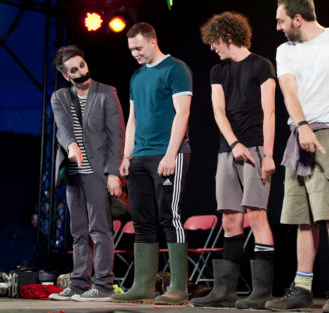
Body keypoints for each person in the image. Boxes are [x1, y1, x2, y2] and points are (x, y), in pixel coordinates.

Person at [264, 1, 329, 312]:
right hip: (299, 136)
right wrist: (302, 126)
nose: (278, 27)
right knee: (302, 218)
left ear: (297, 18)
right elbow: (289, 91)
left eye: (281, 21)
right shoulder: (286, 51)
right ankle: (303, 287)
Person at [191, 12, 276, 310]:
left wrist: (267, 155)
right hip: (228, 150)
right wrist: (234, 143)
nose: (212, 48)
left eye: (215, 42)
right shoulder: (218, 71)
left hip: (256, 149)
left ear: (227, 36)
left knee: (257, 215)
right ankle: (225, 291)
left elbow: (270, 113)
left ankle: (261, 293)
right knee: (230, 218)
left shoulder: (261, 66)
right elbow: (218, 112)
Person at [111, 22, 192, 305]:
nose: (134, 53)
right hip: (140, 157)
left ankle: (179, 288)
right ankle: (143, 286)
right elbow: (132, 119)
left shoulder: (175, 69)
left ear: (153, 42)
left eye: (138, 48)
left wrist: (171, 154)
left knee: (170, 217)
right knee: (142, 220)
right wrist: (126, 156)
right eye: (131, 49)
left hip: (168, 153)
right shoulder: (136, 76)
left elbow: (182, 114)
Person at [48, 45, 125, 301]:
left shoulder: (106, 92)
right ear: (66, 76)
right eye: (74, 70)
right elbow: (62, 127)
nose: (81, 71)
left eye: (82, 65)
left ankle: (103, 285)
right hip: (73, 172)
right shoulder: (60, 96)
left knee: (100, 228)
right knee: (78, 230)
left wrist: (114, 173)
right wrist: (70, 145)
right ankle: (79, 283)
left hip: (98, 170)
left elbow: (117, 135)